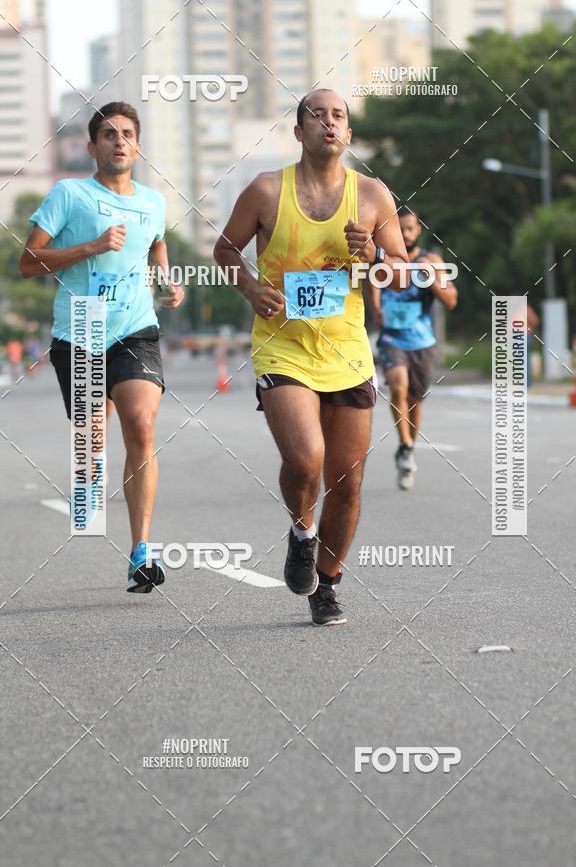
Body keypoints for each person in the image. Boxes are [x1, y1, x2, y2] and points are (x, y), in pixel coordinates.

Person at [214, 88, 408, 626]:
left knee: (347, 483)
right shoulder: (265, 191)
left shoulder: (372, 195)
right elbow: (225, 249)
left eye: (339, 115)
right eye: (316, 115)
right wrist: (252, 290)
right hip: (283, 344)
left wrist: (370, 252)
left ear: (348, 133)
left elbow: (399, 270)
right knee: (306, 459)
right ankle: (302, 532)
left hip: (346, 350)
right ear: (298, 132)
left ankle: (327, 585)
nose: (329, 121)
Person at [19, 101, 184, 593]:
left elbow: (156, 247)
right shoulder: (69, 195)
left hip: (135, 327)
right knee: (92, 437)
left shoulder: (153, 201)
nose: (119, 141)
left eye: (127, 133)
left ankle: (141, 552)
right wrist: (89, 247)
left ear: (138, 145)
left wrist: (167, 283)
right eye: (109, 134)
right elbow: (29, 261)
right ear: (92, 147)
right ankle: (89, 480)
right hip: (81, 327)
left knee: (142, 424)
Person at [371, 207, 457, 490]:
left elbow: (451, 300)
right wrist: (376, 310)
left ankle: (407, 451)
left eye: (410, 229)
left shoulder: (431, 260)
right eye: (400, 229)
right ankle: (405, 444)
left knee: (415, 399)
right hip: (392, 338)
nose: (405, 235)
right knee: (398, 387)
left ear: (418, 230)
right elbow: (372, 291)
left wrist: (432, 278)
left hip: (422, 341)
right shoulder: (382, 260)